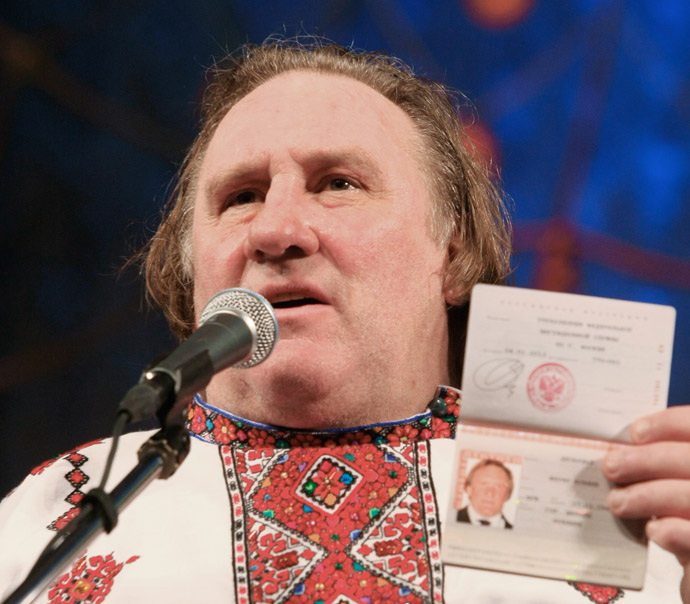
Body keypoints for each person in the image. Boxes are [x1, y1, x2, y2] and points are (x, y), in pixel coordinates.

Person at [1, 39, 689, 604]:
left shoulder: (627, 513)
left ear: (452, 249)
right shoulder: (54, 514)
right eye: (240, 197)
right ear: (190, 267)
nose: (276, 229)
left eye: (337, 184)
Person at [455, 459, 514, 529]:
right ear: (469, 489)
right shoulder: (447, 518)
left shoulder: (518, 533)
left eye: (498, 486)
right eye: (483, 484)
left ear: (507, 494)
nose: (490, 493)